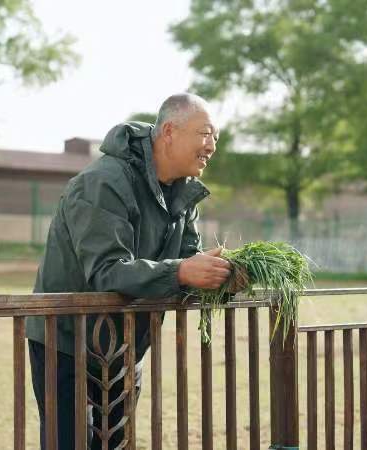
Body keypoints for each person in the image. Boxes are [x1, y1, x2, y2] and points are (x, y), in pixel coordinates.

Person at [26, 93, 231, 449]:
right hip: (68, 341)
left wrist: (225, 274)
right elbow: (107, 271)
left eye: (215, 136)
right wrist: (183, 271)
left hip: (123, 346)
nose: (212, 146)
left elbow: (187, 262)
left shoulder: (183, 194)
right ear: (169, 131)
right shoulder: (104, 182)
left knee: (116, 444)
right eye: (205, 133)